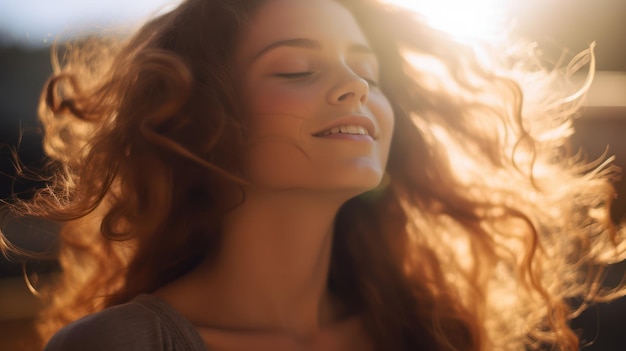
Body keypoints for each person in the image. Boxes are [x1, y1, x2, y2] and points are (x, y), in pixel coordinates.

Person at [2, 0, 625, 349]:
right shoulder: (121, 348)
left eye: (369, 74)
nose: (356, 87)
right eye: (297, 68)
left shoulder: (429, 329)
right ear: (199, 119)